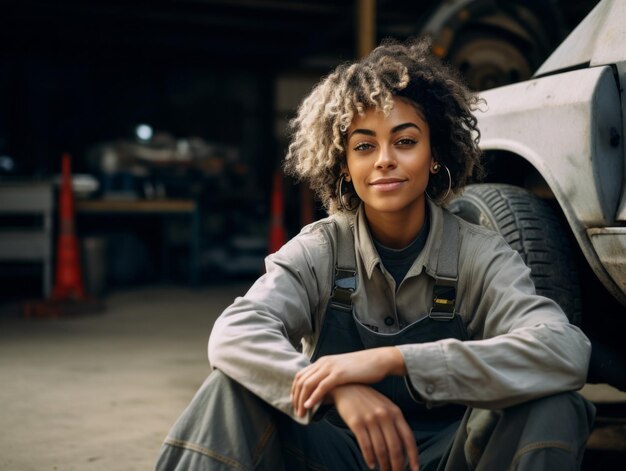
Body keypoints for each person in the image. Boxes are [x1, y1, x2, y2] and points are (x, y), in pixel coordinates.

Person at [156, 39, 595, 471]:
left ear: (435, 154)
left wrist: (394, 360)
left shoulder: (479, 254)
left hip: (454, 457)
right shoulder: (321, 248)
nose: (384, 160)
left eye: (405, 141)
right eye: (364, 146)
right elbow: (235, 332)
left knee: (555, 402)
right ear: (344, 164)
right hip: (334, 454)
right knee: (229, 389)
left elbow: (563, 349)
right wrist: (338, 390)